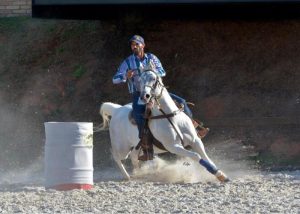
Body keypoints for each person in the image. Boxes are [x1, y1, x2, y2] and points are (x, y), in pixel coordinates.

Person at [113, 35, 208, 161]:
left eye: (137, 44)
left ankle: (193, 128)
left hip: (156, 91)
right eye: (132, 45)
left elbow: (162, 72)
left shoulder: (152, 58)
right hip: (140, 93)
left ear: (143, 45)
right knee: (138, 114)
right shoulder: (128, 62)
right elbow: (115, 79)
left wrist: (152, 73)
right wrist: (125, 75)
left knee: (181, 102)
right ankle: (146, 147)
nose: (134, 46)